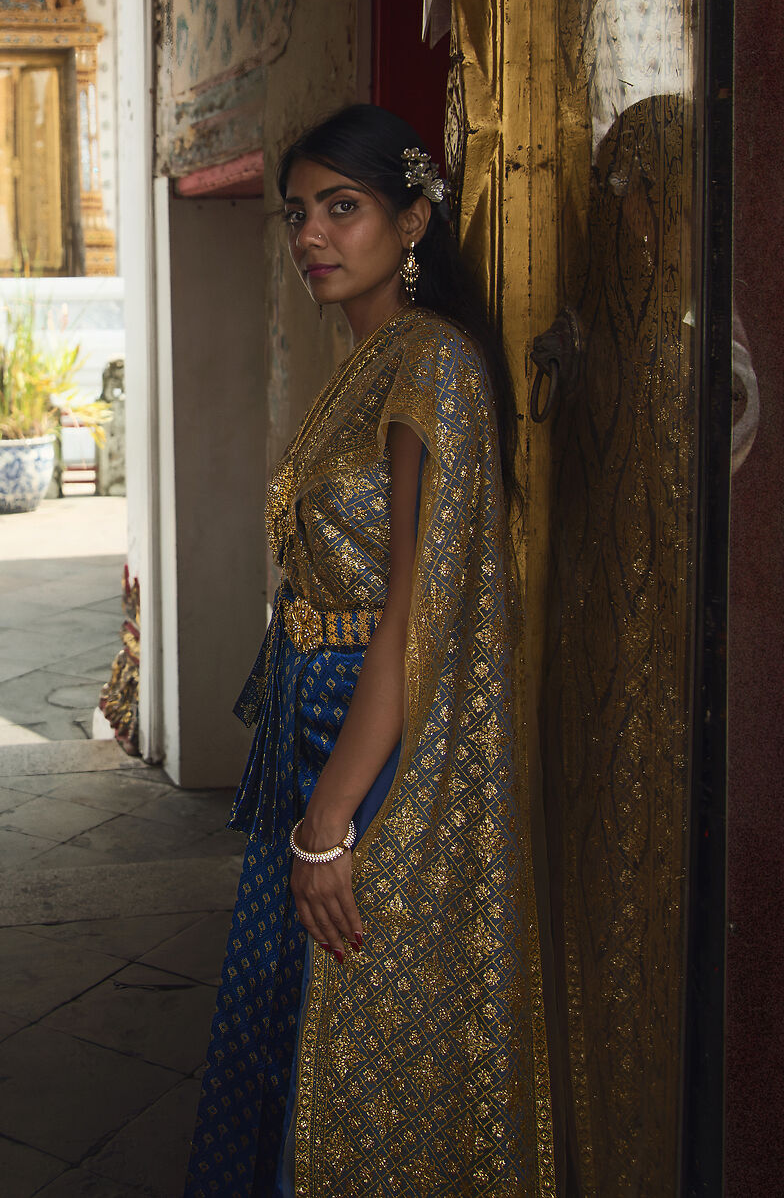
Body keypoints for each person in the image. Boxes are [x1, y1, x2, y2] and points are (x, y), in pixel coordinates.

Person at [184, 105, 554, 1196]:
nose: (312, 236)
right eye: (300, 212)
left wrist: (330, 820)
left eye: (343, 209)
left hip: (373, 754)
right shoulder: (372, 358)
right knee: (292, 1023)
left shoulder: (430, 364)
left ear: (415, 220)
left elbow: (413, 608)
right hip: (318, 735)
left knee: (353, 1025)